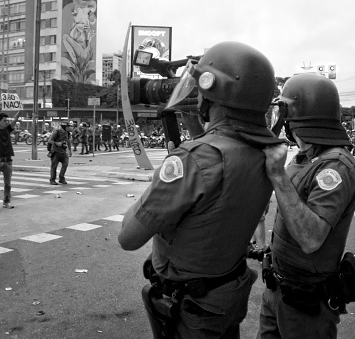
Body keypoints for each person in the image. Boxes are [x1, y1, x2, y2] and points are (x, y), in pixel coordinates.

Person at [118, 41, 284, 338]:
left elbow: (128, 237)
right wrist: (198, 132)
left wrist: (169, 172)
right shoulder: (264, 151)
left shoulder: (194, 159)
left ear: (212, 90)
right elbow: (223, 178)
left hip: (191, 307)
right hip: (226, 294)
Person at [256, 73, 355, 339]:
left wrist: (278, 175)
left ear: (298, 118)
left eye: (284, 113)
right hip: (278, 289)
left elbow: (311, 238)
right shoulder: (304, 158)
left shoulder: (335, 166)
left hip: (305, 304)